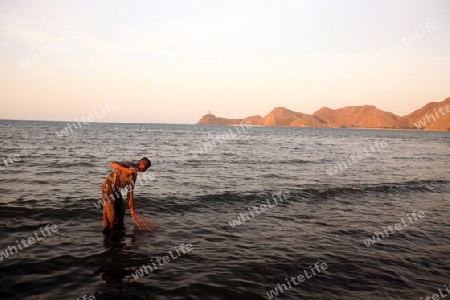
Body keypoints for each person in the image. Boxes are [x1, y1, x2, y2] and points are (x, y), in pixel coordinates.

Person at [101, 157, 151, 234]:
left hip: (117, 191)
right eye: (145, 168)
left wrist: (132, 209)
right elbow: (112, 164)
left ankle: (118, 233)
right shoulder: (128, 164)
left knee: (121, 212)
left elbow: (130, 192)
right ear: (143, 167)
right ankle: (110, 234)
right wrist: (126, 170)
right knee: (111, 215)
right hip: (108, 189)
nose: (144, 171)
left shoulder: (134, 174)